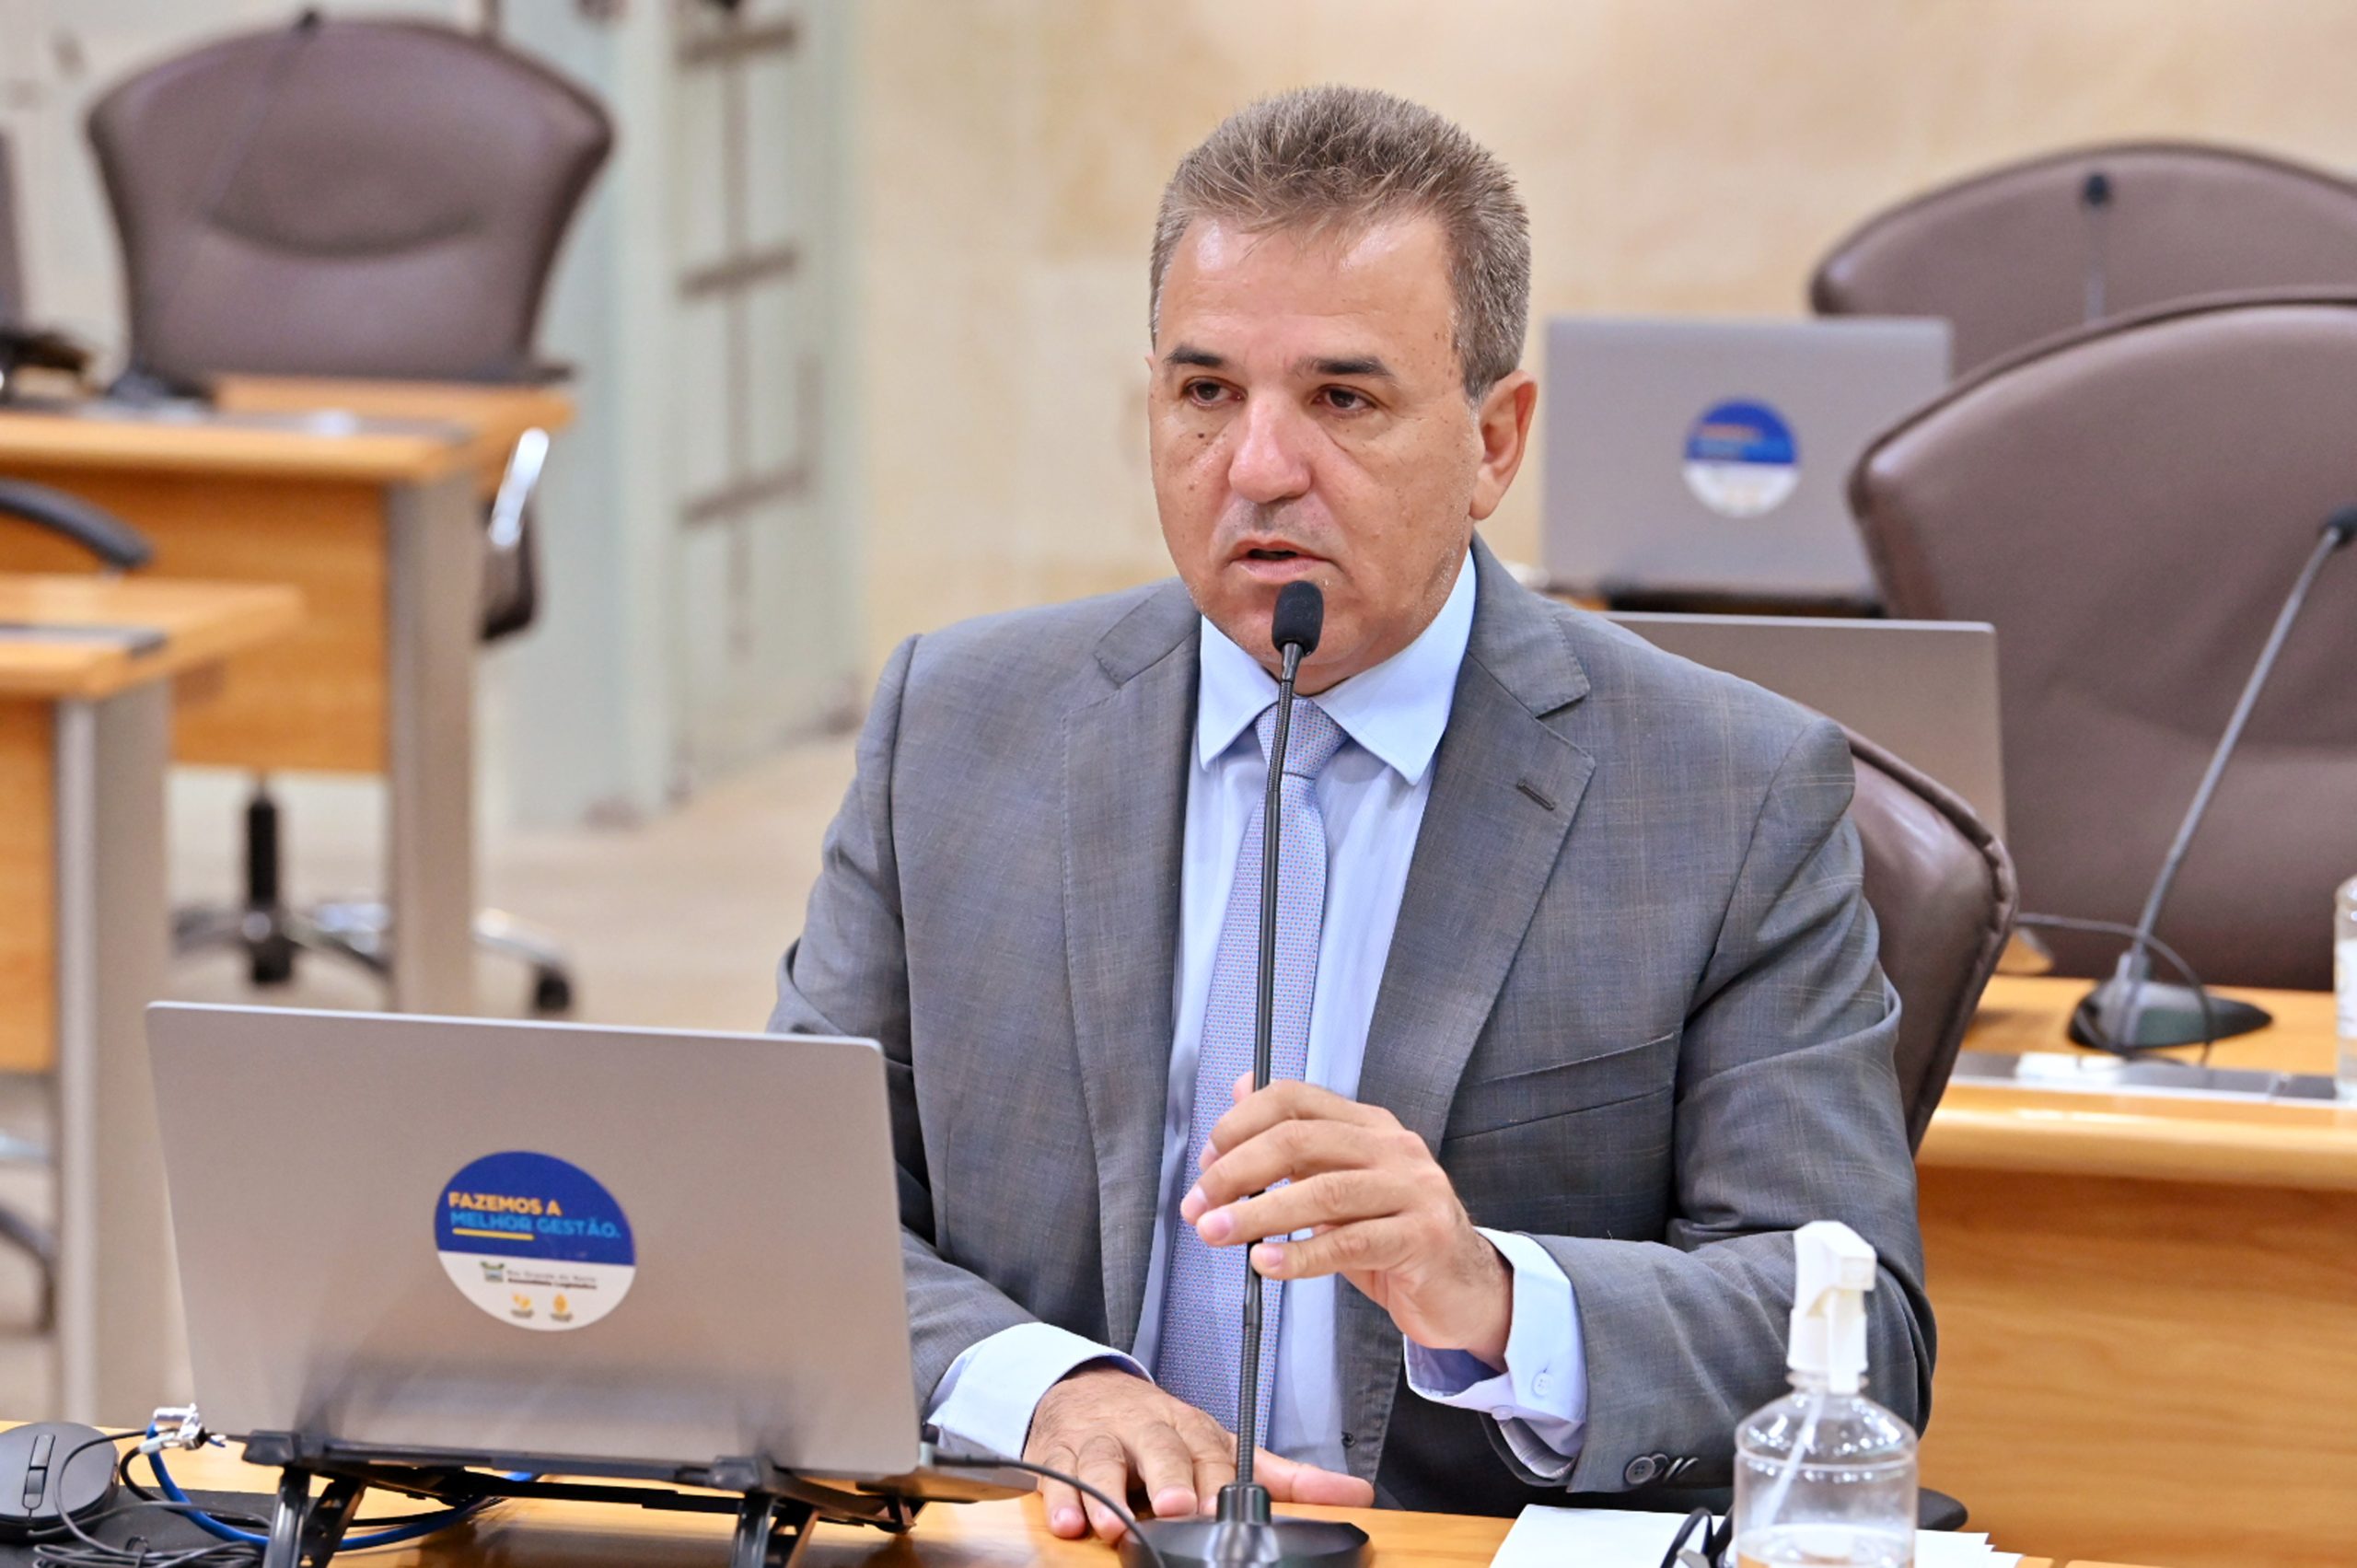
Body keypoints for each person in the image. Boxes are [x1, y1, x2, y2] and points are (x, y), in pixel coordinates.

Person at [771, 85, 1929, 1540]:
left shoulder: (1726, 790)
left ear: (1495, 441)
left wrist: (1491, 1293)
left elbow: (1856, 1333)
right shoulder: (952, 727)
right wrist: (1048, 1389)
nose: (1259, 468)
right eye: (1206, 394)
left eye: (1343, 400)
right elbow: (795, 1209)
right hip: (1057, 1539)